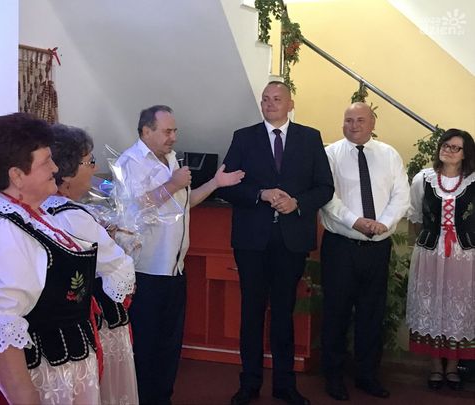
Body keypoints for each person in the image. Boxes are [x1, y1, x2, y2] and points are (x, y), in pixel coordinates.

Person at [0, 113, 127, 405]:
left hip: (56, 370)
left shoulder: (31, 216)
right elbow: (0, 331)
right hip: (30, 379)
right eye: (46, 162)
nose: (55, 168)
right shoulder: (1, 231)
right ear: (17, 175)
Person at [114, 105, 245, 405]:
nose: (173, 137)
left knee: (169, 345)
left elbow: (184, 203)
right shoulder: (130, 162)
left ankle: (163, 398)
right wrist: (172, 184)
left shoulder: (171, 159)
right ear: (146, 131)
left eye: (175, 131)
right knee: (145, 346)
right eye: (167, 131)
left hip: (174, 269)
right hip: (146, 270)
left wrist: (215, 183)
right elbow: (135, 209)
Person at [218, 81, 334, 405]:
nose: (270, 104)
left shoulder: (310, 138)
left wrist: (297, 203)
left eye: (277, 99)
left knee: (284, 314)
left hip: (291, 240)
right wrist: (260, 194)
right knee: (251, 313)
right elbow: (226, 185)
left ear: (290, 104)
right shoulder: (244, 137)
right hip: (251, 242)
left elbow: (325, 187)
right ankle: (249, 383)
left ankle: (285, 385)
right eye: (266, 99)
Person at [319, 102, 410, 401]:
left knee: (372, 314)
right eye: (348, 120)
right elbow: (327, 197)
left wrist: (383, 223)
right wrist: (355, 221)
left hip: (377, 248)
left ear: (372, 124)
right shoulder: (330, 154)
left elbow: (401, 194)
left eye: (360, 120)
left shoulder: (389, 154)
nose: (354, 125)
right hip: (341, 246)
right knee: (336, 313)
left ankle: (367, 376)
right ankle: (333, 377)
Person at [41, 124, 138, 404]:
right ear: (66, 172)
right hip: (84, 325)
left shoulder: (40, 208)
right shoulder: (75, 216)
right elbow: (119, 270)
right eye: (89, 161)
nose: (94, 168)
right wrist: (123, 245)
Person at [406, 129, 475, 391]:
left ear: (466, 153)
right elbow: (415, 216)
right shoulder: (423, 179)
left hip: (464, 256)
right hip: (430, 253)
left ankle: (453, 367)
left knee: (459, 307)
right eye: (445, 145)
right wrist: (426, 243)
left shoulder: (473, 180)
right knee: (432, 304)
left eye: (456, 147)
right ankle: (436, 366)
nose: (449, 150)